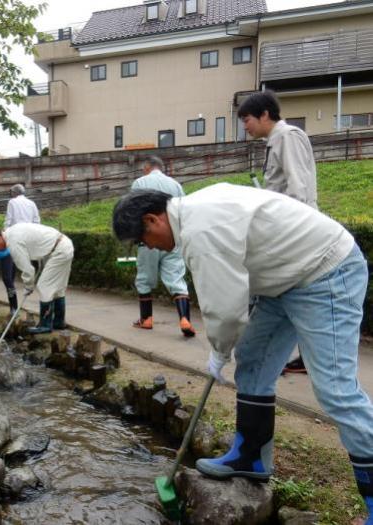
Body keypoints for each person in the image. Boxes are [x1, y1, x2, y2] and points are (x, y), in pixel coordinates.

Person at [112, 184, 372, 525]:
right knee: (251, 359)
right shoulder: (194, 215)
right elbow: (238, 282)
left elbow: (226, 309)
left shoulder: (200, 228)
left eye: (143, 241)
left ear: (153, 219)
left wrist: (219, 352)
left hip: (325, 271)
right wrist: (229, 349)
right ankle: (252, 458)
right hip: (284, 280)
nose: (149, 248)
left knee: (336, 391)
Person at [239, 90, 318, 374]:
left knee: (296, 298)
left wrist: (290, 234)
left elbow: (299, 189)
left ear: (264, 115)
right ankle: (291, 357)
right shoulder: (275, 142)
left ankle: (303, 359)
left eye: (247, 119)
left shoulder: (288, 136)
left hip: (295, 233)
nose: (245, 126)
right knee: (286, 298)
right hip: (284, 231)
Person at [130, 155, 195, 337]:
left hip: (149, 238)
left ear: (147, 167)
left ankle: (147, 319)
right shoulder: (175, 185)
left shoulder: (139, 183)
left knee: (144, 278)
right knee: (176, 278)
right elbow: (184, 211)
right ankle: (185, 319)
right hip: (172, 238)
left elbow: (133, 211)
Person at [0, 224, 74, 334]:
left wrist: (28, 286)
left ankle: (45, 325)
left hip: (59, 250)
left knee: (44, 286)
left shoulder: (13, 244)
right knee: (58, 288)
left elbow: (28, 270)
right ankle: (58, 322)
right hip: (63, 245)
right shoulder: (12, 231)